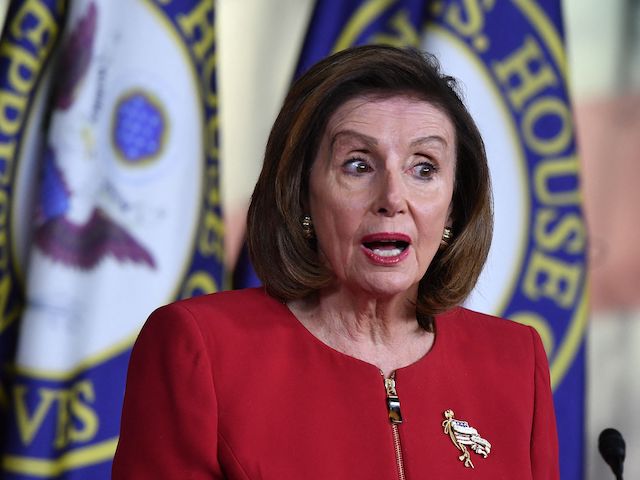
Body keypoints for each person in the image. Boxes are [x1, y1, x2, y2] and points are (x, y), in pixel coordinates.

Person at [112, 45, 559, 479]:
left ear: (455, 206)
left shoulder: (514, 361)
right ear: (301, 191)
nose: (392, 199)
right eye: (358, 165)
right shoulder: (203, 350)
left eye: (424, 168)